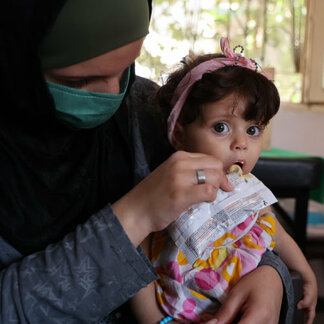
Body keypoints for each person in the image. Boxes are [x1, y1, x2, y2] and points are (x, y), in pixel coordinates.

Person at [0, 0, 294, 323]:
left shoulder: (150, 109)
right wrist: (135, 216)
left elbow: (246, 218)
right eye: (78, 83)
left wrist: (270, 276)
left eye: (127, 67)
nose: (113, 94)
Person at [131, 38, 317, 324]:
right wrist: (157, 321)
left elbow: (274, 232)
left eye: (253, 129)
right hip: (181, 315)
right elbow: (138, 262)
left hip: (244, 309)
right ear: (180, 134)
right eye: (221, 127)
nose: (241, 143)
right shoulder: (168, 189)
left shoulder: (248, 188)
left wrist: (305, 272)